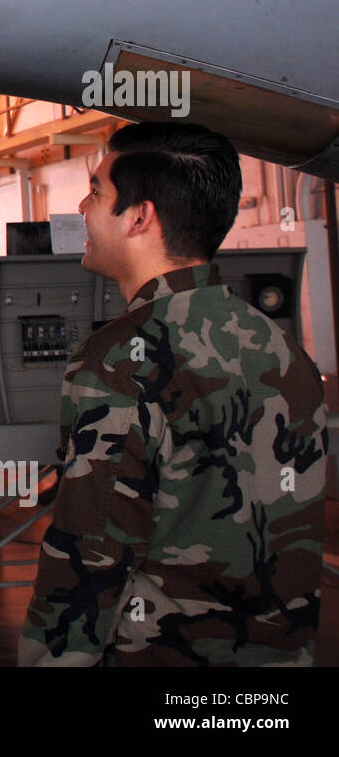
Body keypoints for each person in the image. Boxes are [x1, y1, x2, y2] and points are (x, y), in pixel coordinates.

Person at [19, 122, 328, 666]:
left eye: (96, 192)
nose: (83, 209)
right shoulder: (280, 347)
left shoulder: (117, 359)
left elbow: (91, 556)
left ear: (140, 216)